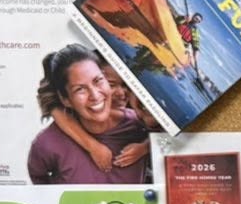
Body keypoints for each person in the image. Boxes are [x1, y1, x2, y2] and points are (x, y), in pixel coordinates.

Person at [26, 44, 152, 185]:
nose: (95, 95)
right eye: (80, 89)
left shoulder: (138, 124)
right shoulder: (48, 142)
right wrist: (92, 146)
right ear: (65, 99)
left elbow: (167, 140)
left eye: (98, 80)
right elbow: (38, 180)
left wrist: (146, 147)